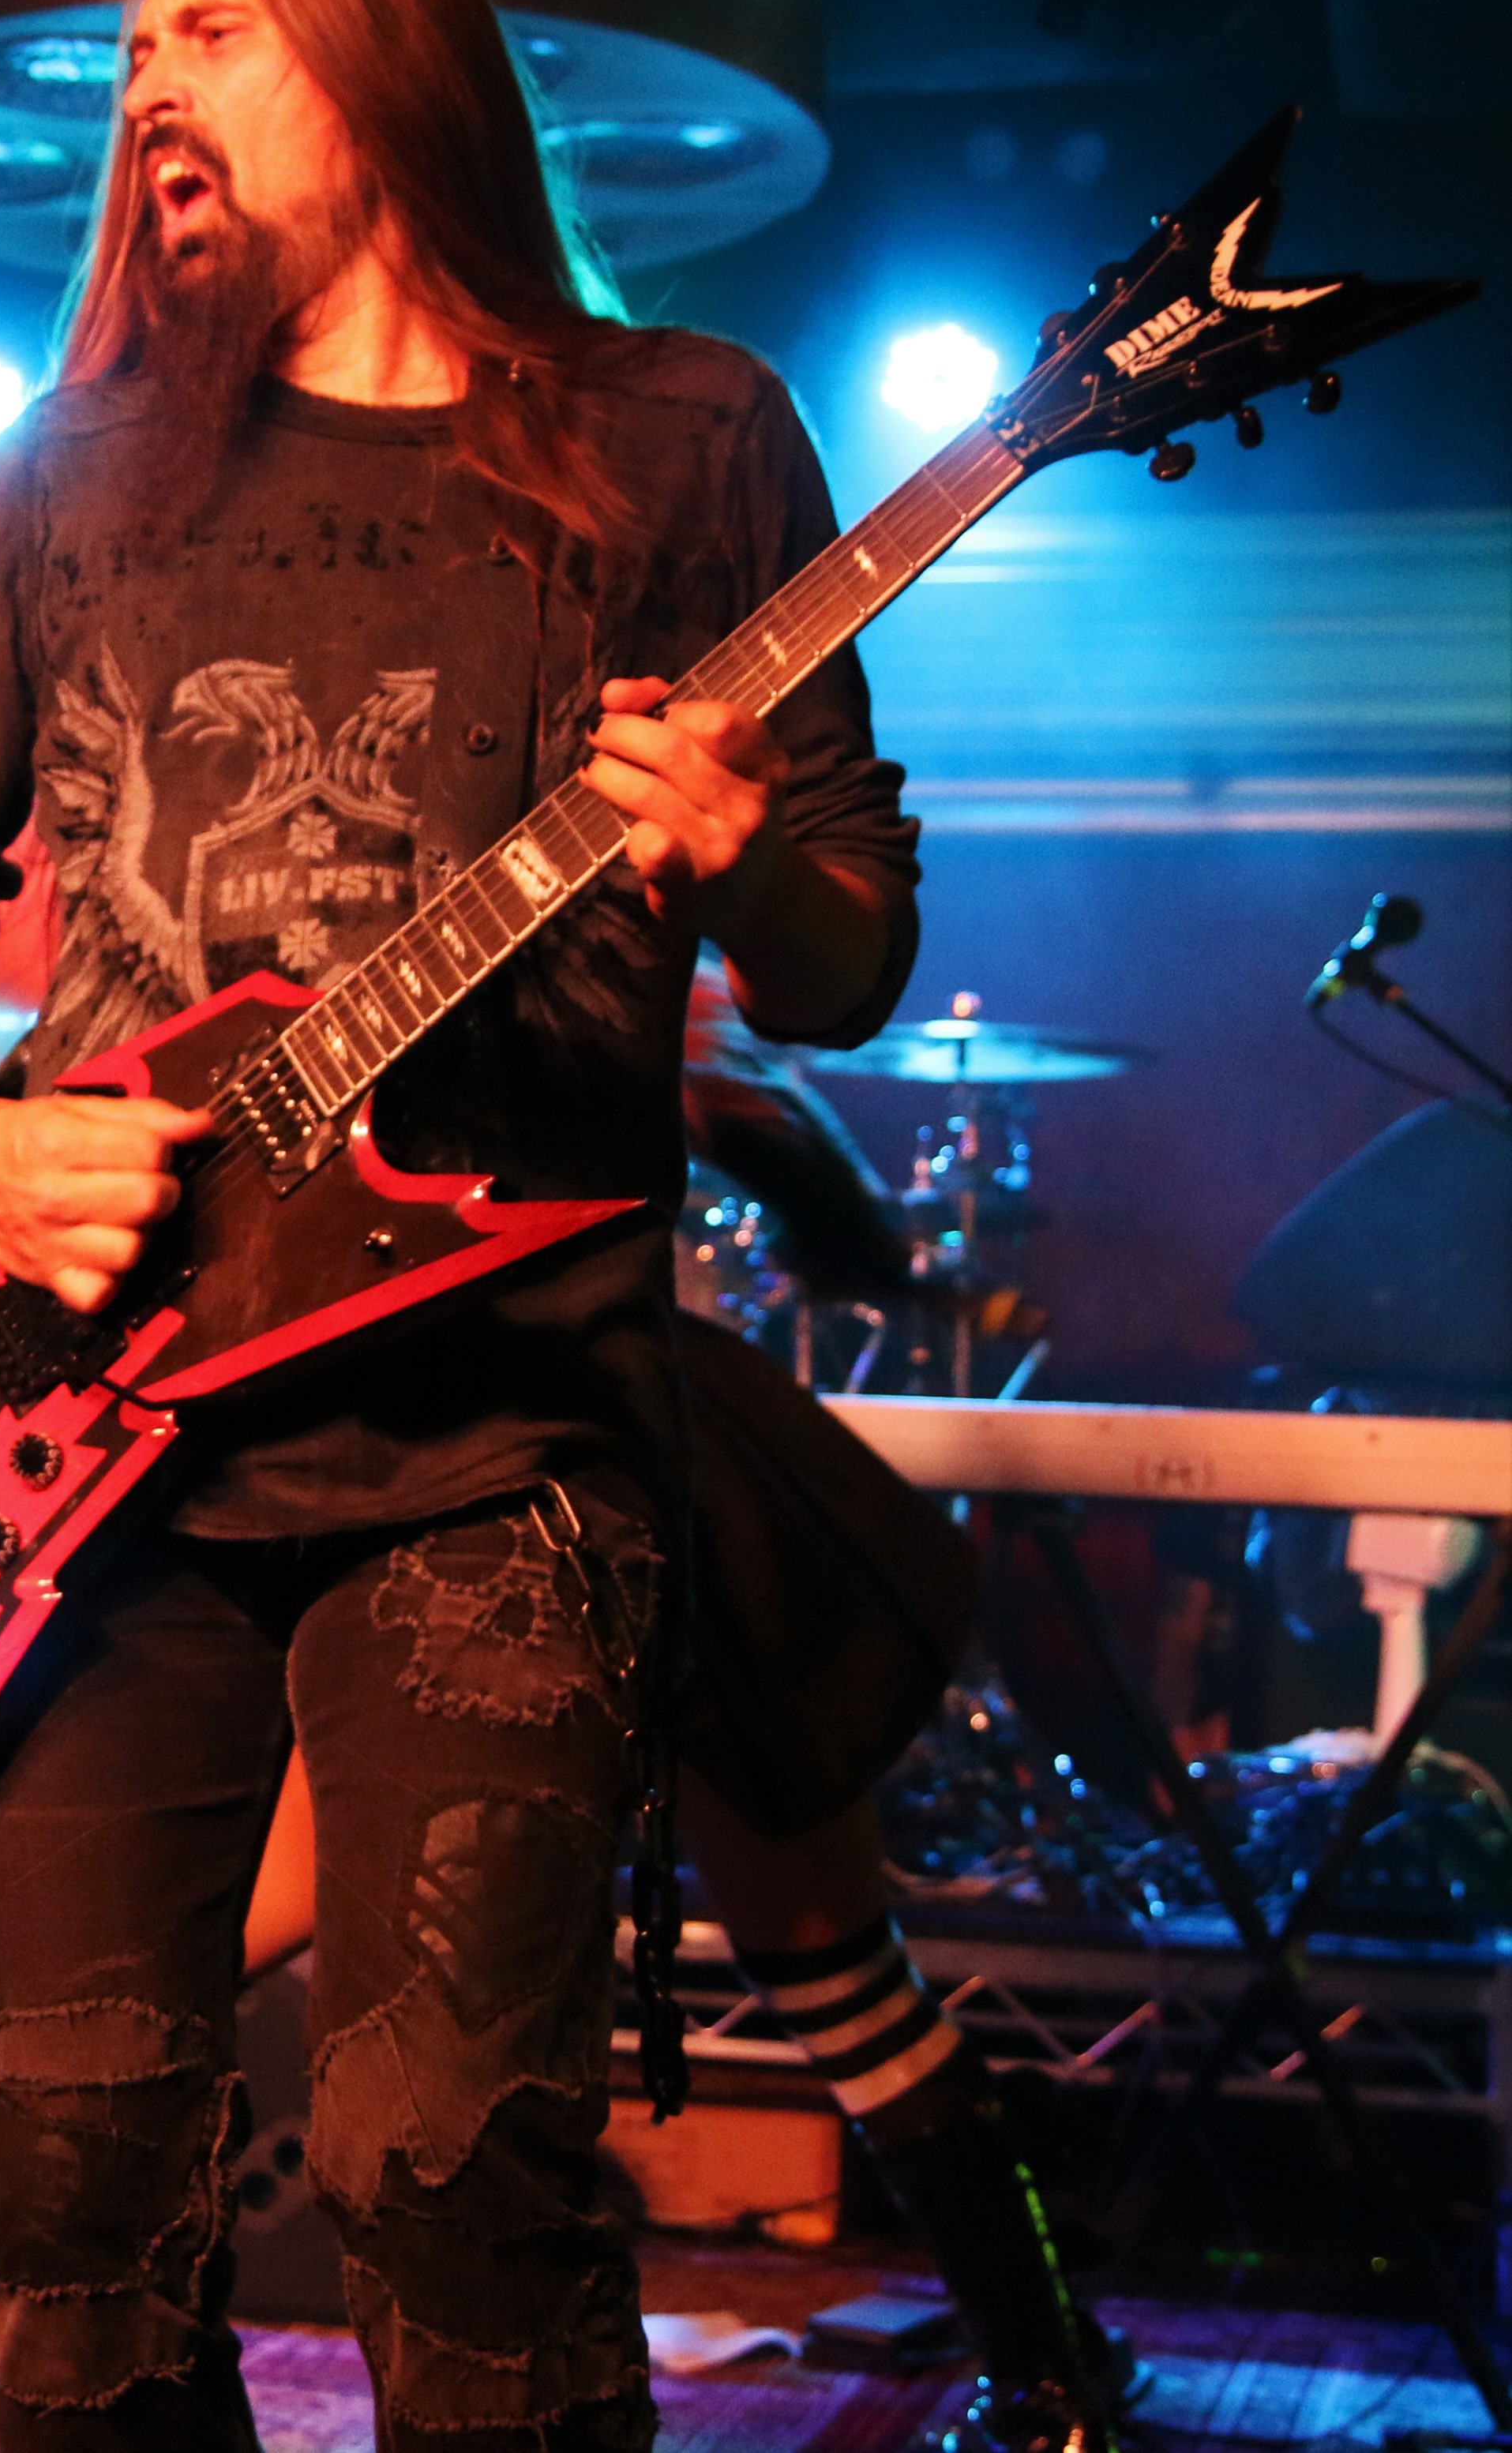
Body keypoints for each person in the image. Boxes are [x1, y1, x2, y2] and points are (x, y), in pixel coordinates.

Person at [0, 0, 921, 2453]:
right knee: (62, 2167)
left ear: (375, 49)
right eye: (131, 52)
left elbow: (849, 948)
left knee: (447, 2159)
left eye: (205, 32)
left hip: (500, 1435)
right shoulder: (51, 479)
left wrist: (744, 848)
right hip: (106, 1436)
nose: (148, 92)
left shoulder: (685, 433)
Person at [245, 965, 1141, 2453]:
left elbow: (788, 1170)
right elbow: (812, 1198)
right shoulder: (547, 973)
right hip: (613, 1464)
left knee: (817, 1967)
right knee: (836, 1975)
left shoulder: (450, 970)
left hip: (575, 1469)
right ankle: (1052, 2376)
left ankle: (1049, 2375)